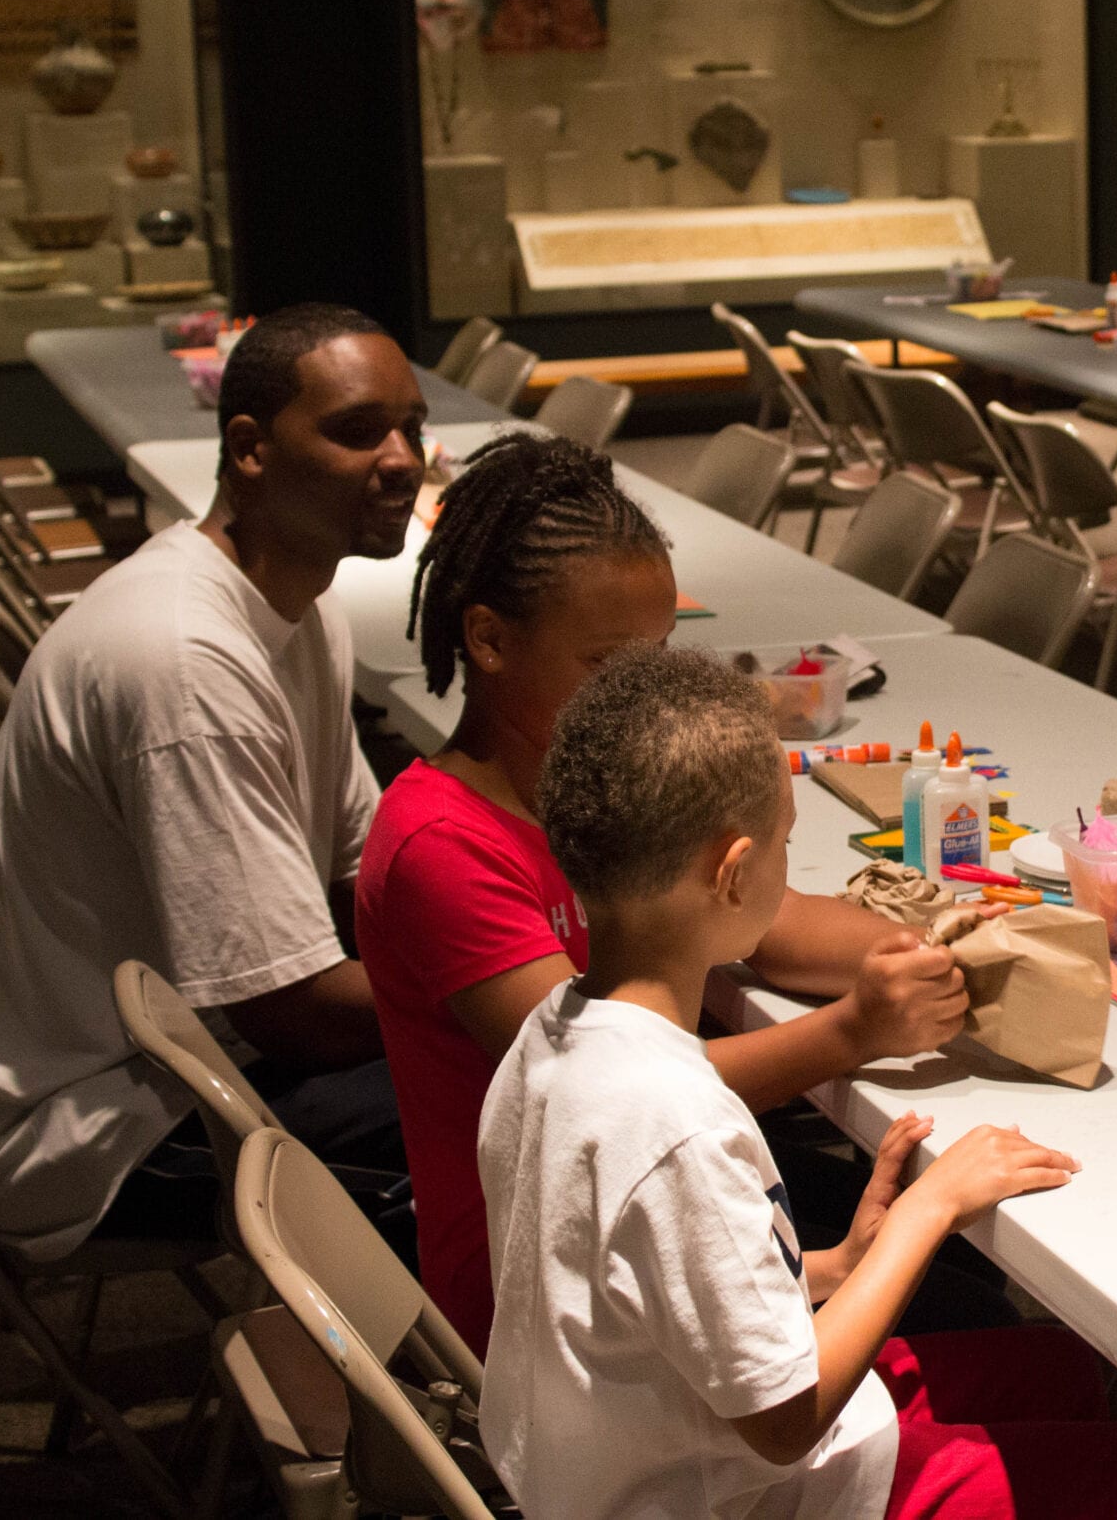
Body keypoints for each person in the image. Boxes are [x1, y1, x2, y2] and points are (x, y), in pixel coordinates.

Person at [480, 646, 1117, 1520]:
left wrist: (843, 1263)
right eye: (786, 842)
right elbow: (785, 1421)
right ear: (734, 873)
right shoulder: (675, 1123)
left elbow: (648, 1294)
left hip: (647, 1450)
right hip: (725, 1495)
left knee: (1060, 1371)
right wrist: (929, 1209)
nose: (790, 863)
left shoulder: (552, 1033)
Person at [356, 431, 994, 1353]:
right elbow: (609, 1088)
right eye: (610, 665)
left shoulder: (615, 785)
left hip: (634, 1206)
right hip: (546, 1286)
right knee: (958, 1302)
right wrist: (856, 1029)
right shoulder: (439, 844)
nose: (646, 693)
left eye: (658, 656)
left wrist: (948, 946)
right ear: (489, 638)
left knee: (957, 1264)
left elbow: (770, 925)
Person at [0, 302, 428, 1260]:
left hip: (180, 1050)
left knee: (522, 1066)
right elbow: (291, 1014)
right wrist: (513, 993)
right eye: (359, 430)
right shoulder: (184, 659)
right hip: (76, 1125)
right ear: (251, 448)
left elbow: (365, 879)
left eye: (412, 428)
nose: (403, 459)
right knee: (505, 1105)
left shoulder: (301, 604)